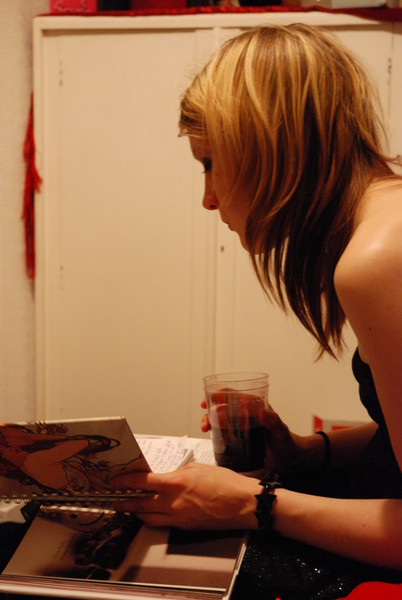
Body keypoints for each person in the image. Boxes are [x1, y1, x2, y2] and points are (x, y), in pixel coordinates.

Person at [113, 24, 402, 596]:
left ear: (269, 149)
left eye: (209, 164)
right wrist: (304, 454)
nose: (208, 198)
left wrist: (254, 503)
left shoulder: (376, 260)